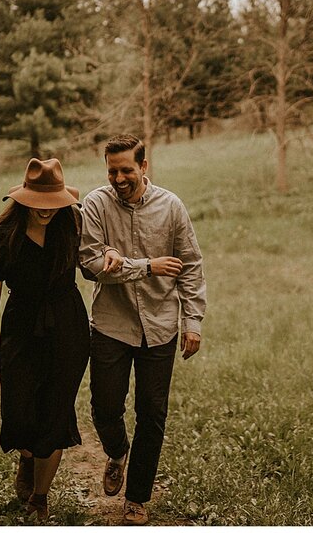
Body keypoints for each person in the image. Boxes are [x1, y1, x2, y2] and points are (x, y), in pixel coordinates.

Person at [79, 134, 207, 526]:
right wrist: (145, 266)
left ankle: (136, 498)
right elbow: (90, 264)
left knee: (152, 413)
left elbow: (190, 264)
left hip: (161, 325)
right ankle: (117, 452)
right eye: (112, 170)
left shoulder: (172, 207)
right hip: (111, 326)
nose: (118, 178)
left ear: (144, 167)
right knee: (104, 408)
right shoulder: (95, 204)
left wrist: (193, 320)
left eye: (126, 170)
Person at [0, 157, 92, 522]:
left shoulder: (71, 224)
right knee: (20, 411)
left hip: (67, 325)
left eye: (52, 205)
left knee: (55, 414)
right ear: (23, 199)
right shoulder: (3, 235)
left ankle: (40, 498)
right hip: (21, 326)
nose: (46, 212)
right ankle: (27, 458)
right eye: (39, 204)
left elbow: (97, 256)